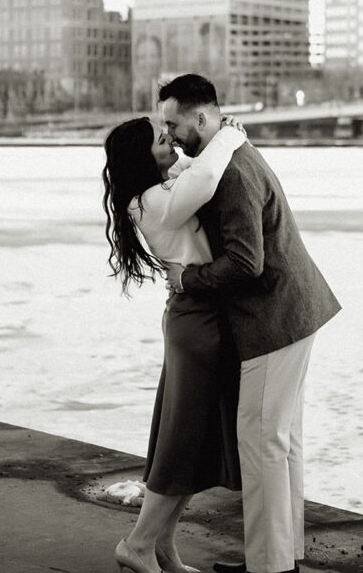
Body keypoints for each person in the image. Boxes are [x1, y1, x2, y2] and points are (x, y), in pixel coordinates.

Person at [160, 74, 341, 573]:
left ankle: (269, 567)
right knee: (282, 443)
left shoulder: (233, 172)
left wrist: (187, 279)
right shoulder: (232, 151)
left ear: (202, 117)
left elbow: (245, 263)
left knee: (261, 443)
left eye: (174, 125)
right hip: (296, 312)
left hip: (273, 320)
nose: (171, 135)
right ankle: (283, 557)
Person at [102, 114, 247, 573]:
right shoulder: (150, 202)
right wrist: (231, 136)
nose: (169, 139)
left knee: (190, 440)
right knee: (181, 441)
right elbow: (203, 178)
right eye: (159, 139)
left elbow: (191, 173)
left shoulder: (157, 193)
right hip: (195, 323)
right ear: (141, 157)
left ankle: (163, 547)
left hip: (198, 318)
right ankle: (138, 544)